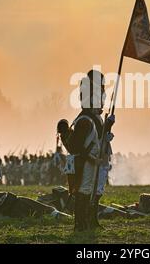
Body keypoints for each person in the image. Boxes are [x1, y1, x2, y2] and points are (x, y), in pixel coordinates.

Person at [58, 69, 114, 231]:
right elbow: (76, 147)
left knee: (93, 191)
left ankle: (89, 222)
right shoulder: (85, 120)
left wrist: (108, 126)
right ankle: (81, 224)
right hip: (87, 161)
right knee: (83, 192)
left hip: (95, 160)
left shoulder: (91, 117)